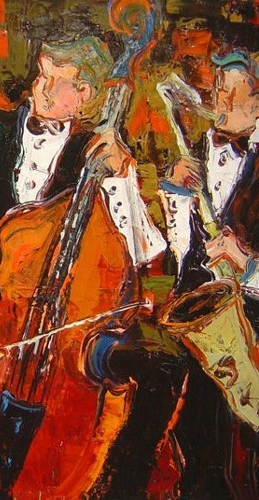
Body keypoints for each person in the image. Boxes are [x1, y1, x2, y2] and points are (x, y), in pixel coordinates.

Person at [0, 35, 183, 498]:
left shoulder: (98, 150)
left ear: (84, 94)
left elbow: (141, 250)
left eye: (54, 82)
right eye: (40, 76)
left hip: (72, 339)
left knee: (162, 364)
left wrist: (120, 178)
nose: (38, 89)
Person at [160, 49, 259, 498]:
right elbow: (180, 253)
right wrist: (175, 193)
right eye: (218, 89)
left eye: (232, 94)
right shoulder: (196, 153)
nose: (219, 101)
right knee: (197, 434)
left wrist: (247, 264)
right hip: (202, 324)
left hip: (252, 325)